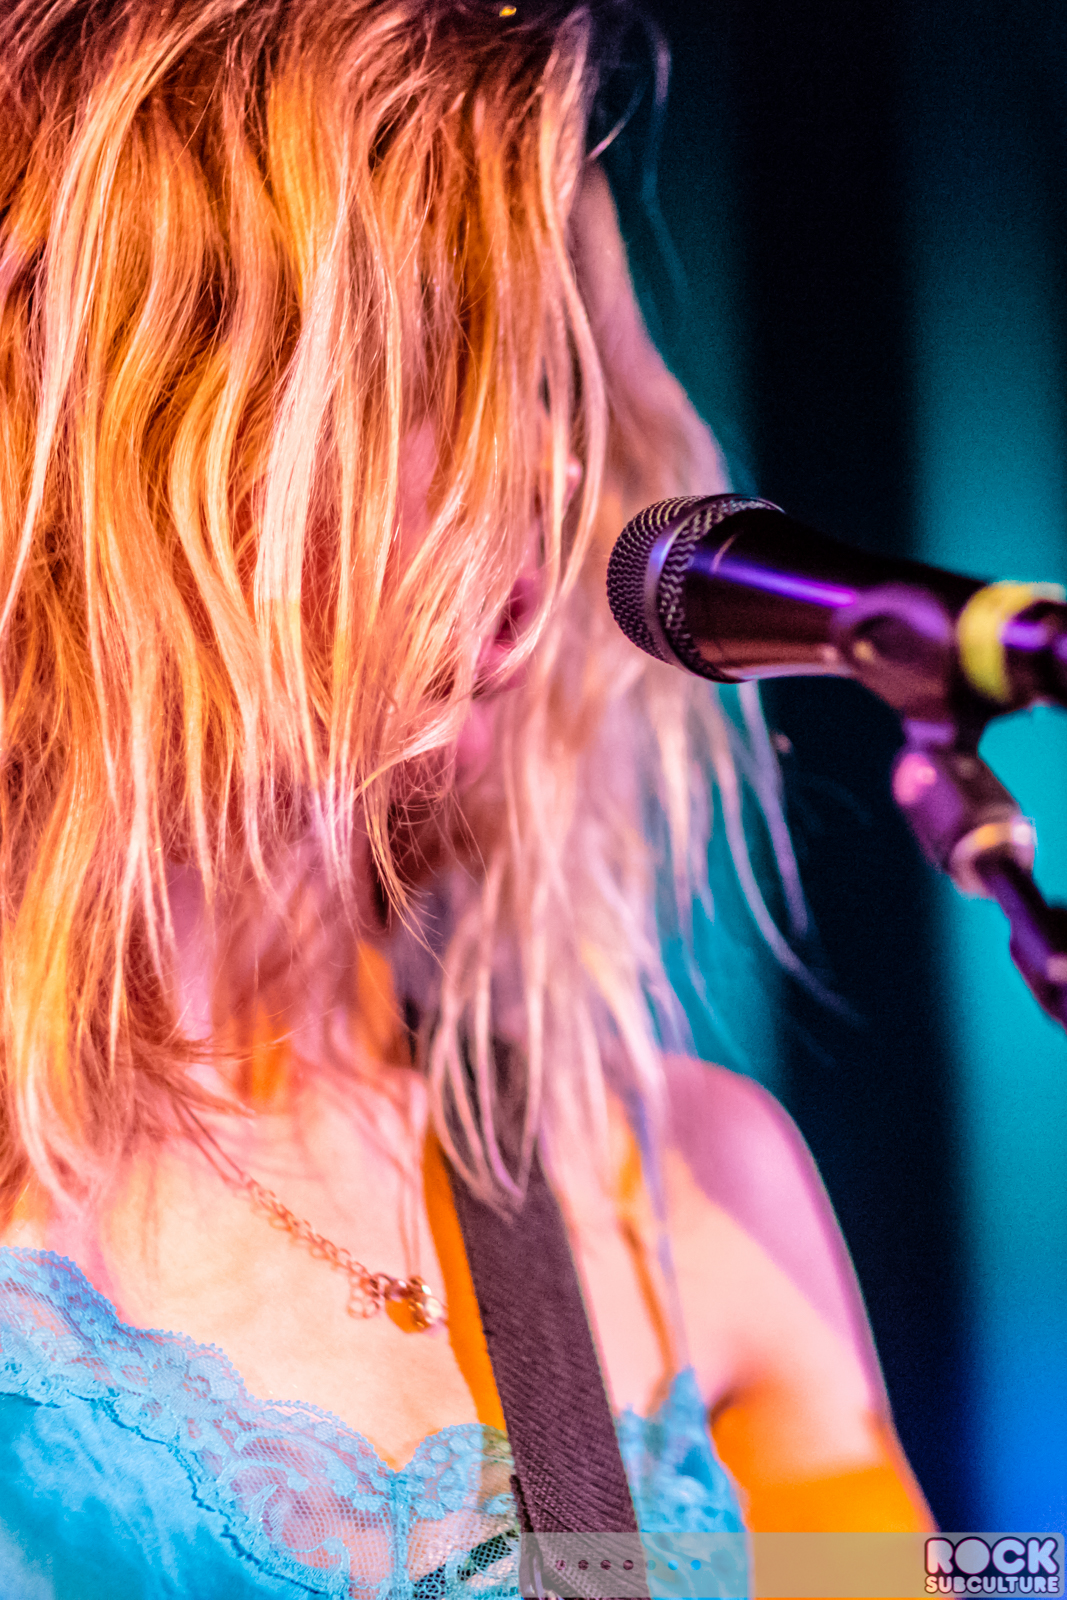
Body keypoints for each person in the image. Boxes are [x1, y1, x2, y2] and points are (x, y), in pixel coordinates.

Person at [0, 0, 930, 1594]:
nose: (547, 489)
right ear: (142, 426)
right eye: (438, 370)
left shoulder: (689, 1194)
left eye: (545, 390)